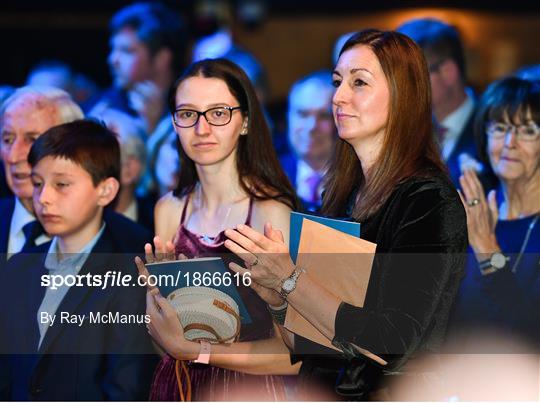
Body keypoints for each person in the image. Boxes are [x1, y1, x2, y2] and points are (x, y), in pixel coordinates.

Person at [224, 29, 468, 400]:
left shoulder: (428, 201)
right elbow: (314, 347)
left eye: (359, 83)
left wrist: (291, 280)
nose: (338, 97)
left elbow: (391, 343)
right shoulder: (342, 195)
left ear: (403, 95)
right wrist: (277, 298)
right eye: (337, 81)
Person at [136, 58, 301, 401]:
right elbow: (163, 344)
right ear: (175, 123)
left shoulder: (272, 213)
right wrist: (157, 308)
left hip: (245, 390)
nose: (202, 129)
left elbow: (295, 355)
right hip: (177, 385)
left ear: (244, 122)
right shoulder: (168, 209)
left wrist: (197, 350)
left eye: (218, 113)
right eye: (187, 114)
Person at [0, 119, 156, 400]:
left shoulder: (130, 277)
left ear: (105, 191)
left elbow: (126, 387)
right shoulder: (19, 268)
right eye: (37, 183)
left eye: (61, 184)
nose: (44, 197)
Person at [449, 77, 540, 346]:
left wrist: (488, 250)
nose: (510, 142)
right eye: (500, 128)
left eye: (527, 131)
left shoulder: (483, 228)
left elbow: (528, 335)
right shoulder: (472, 209)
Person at [397, 18, 497, 191]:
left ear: (447, 72)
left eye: (412, 77)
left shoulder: (494, 129)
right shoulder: (405, 132)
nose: (401, 88)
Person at [0, 86, 83, 259]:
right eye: (8, 140)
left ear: (72, 149)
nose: (13, 156)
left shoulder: (119, 244)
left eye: (32, 140)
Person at [88, 2, 187, 134]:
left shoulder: (188, 109)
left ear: (161, 58)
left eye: (126, 51)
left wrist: (153, 128)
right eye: (113, 49)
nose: (113, 60)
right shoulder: (103, 106)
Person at [280, 70, 336, 212]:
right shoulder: (267, 177)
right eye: (302, 114)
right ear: (288, 118)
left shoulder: (361, 183)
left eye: (324, 115)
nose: (311, 126)